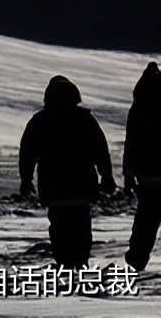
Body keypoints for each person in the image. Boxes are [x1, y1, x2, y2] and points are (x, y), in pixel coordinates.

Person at [19, 74, 115, 268]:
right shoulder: (84, 119)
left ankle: (66, 262)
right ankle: (79, 261)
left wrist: (26, 179)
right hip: (81, 186)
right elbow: (99, 149)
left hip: (53, 187)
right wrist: (106, 175)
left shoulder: (40, 121)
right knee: (81, 224)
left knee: (59, 226)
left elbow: (28, 152)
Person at [125, 61, 161, 272]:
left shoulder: (139, 108)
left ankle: (137, 258)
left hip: (148, 175)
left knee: (146, 221)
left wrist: (129, 174)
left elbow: (132, 142)